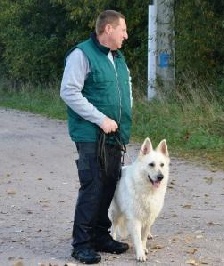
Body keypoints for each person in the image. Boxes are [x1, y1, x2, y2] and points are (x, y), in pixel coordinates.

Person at [60, 10, 133, 264]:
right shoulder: (82, 54)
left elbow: (126, 89)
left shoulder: (118, 57)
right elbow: (69, 91)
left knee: (110, 182)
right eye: (122, 29)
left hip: (115, 134)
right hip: (90, 133)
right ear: (108, 30)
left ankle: (101, 236)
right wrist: (100, 119)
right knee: (92, 185)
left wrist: (122, 120)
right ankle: (81, 244)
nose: (126, 34)